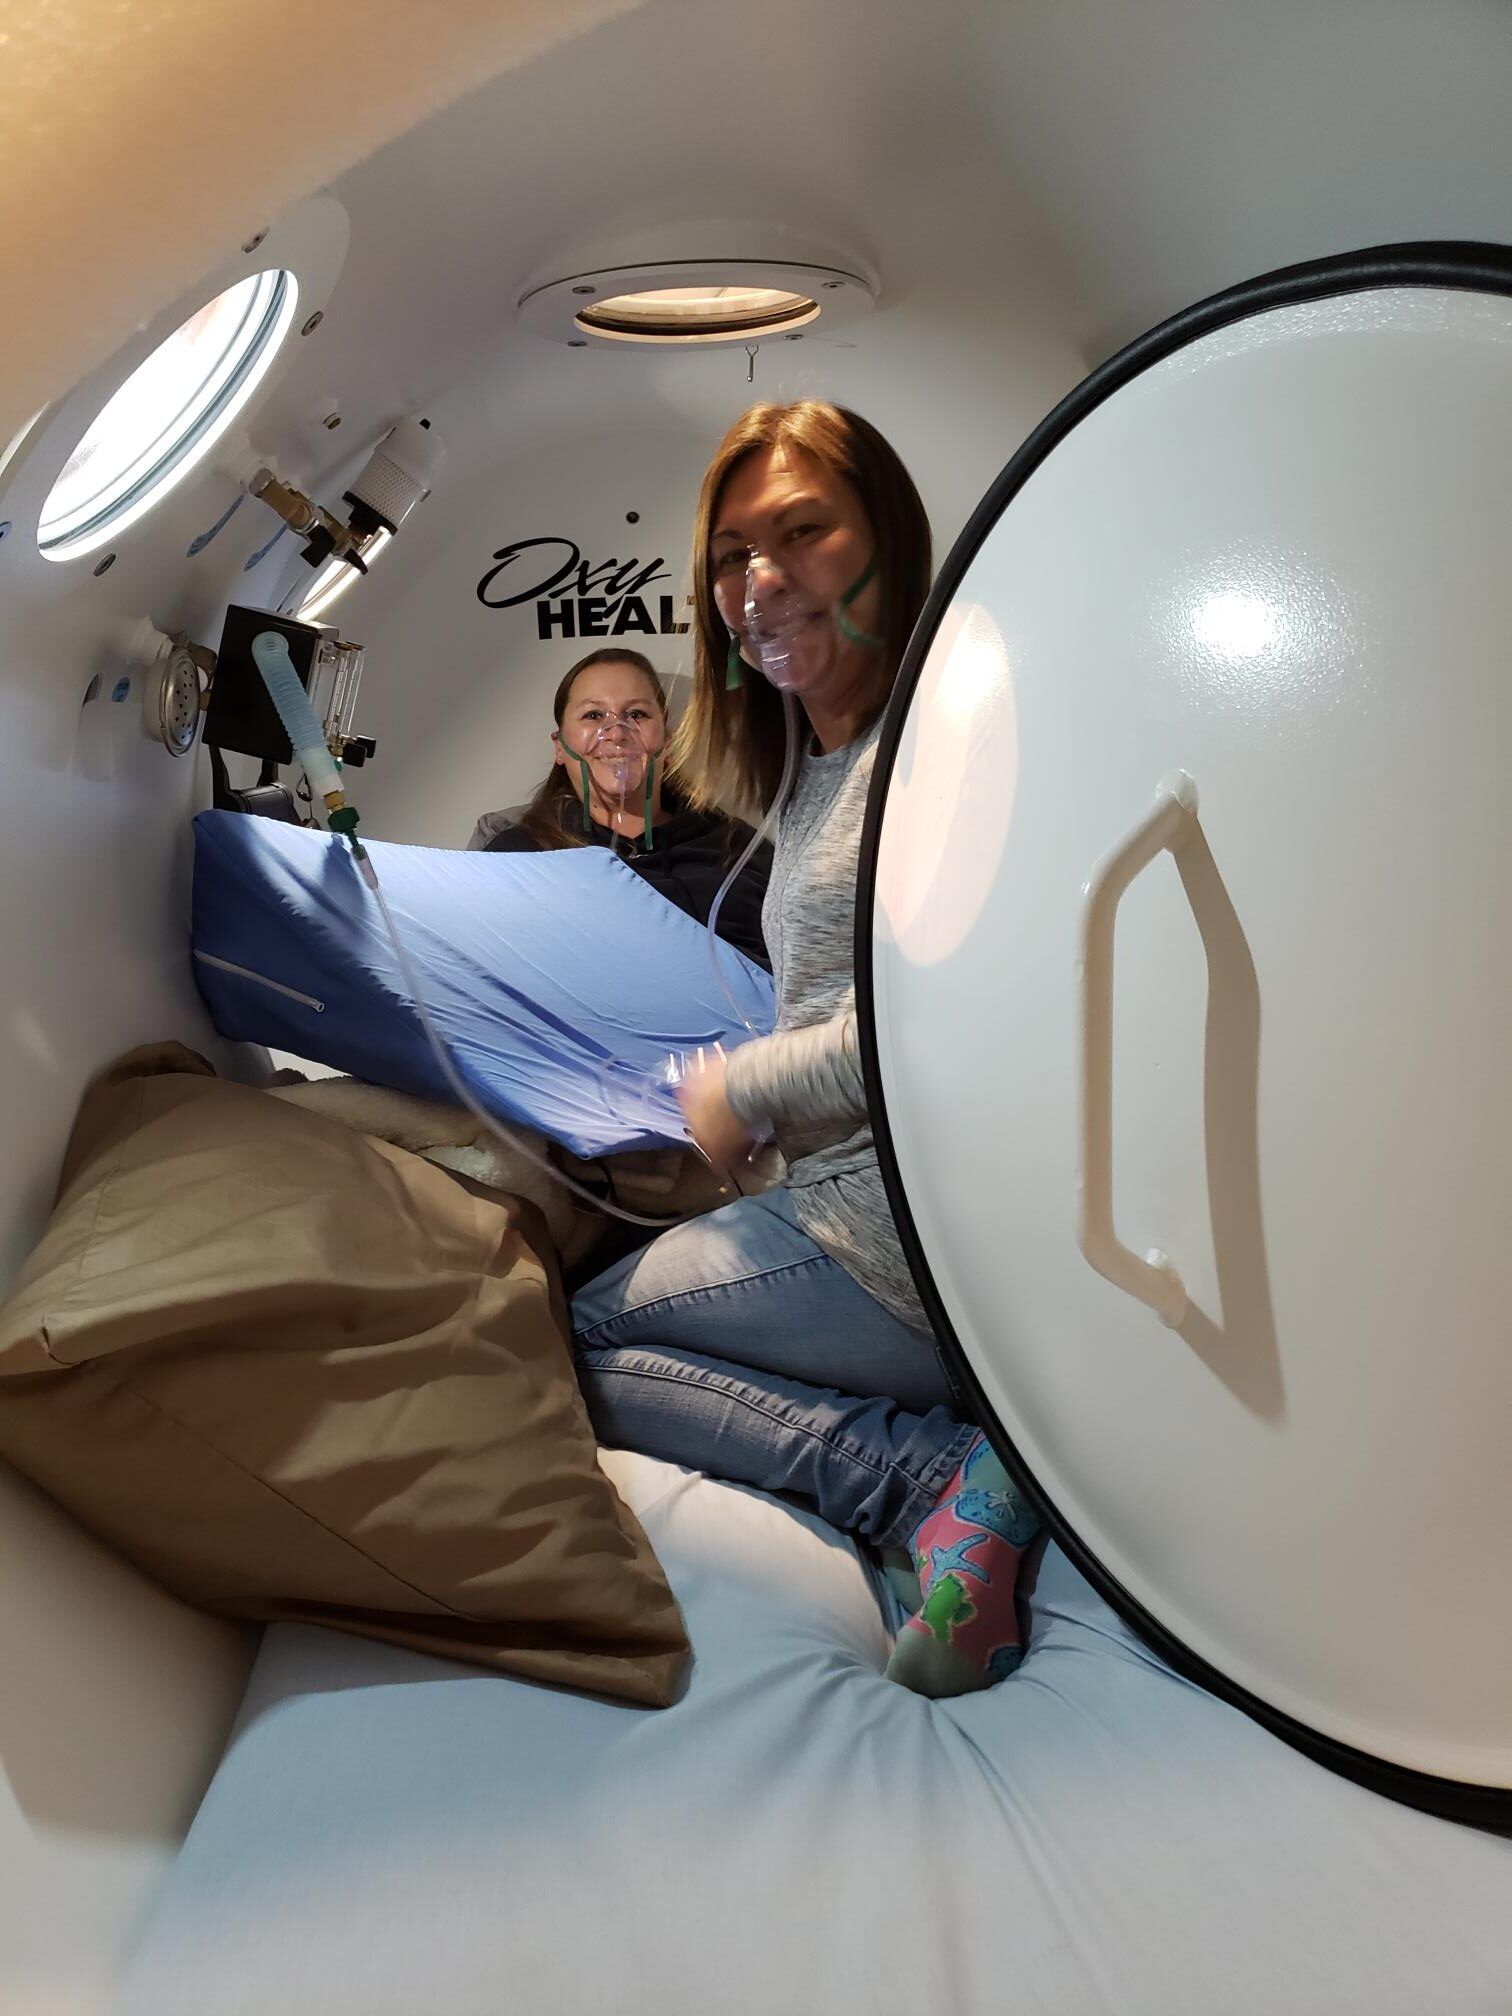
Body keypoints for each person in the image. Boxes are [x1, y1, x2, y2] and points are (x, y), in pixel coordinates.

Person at [569, 403, 1039, 1698]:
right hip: (844, 1205)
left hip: (899, 1243)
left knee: (575, 1343)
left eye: (801, 534)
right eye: (731, 556)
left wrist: (737, 1086)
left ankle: (922, 1475)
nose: (758, 582)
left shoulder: (929, 755)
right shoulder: (820, 770)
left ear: (886, 539)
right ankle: (937, 1452)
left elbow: (928, 1022)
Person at [478, 648, 772, 970]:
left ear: (669, 743)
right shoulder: (514, 861)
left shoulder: (741, 852)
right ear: (560, 747)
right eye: (593, 715)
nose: (617, 733)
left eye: (636, 715)